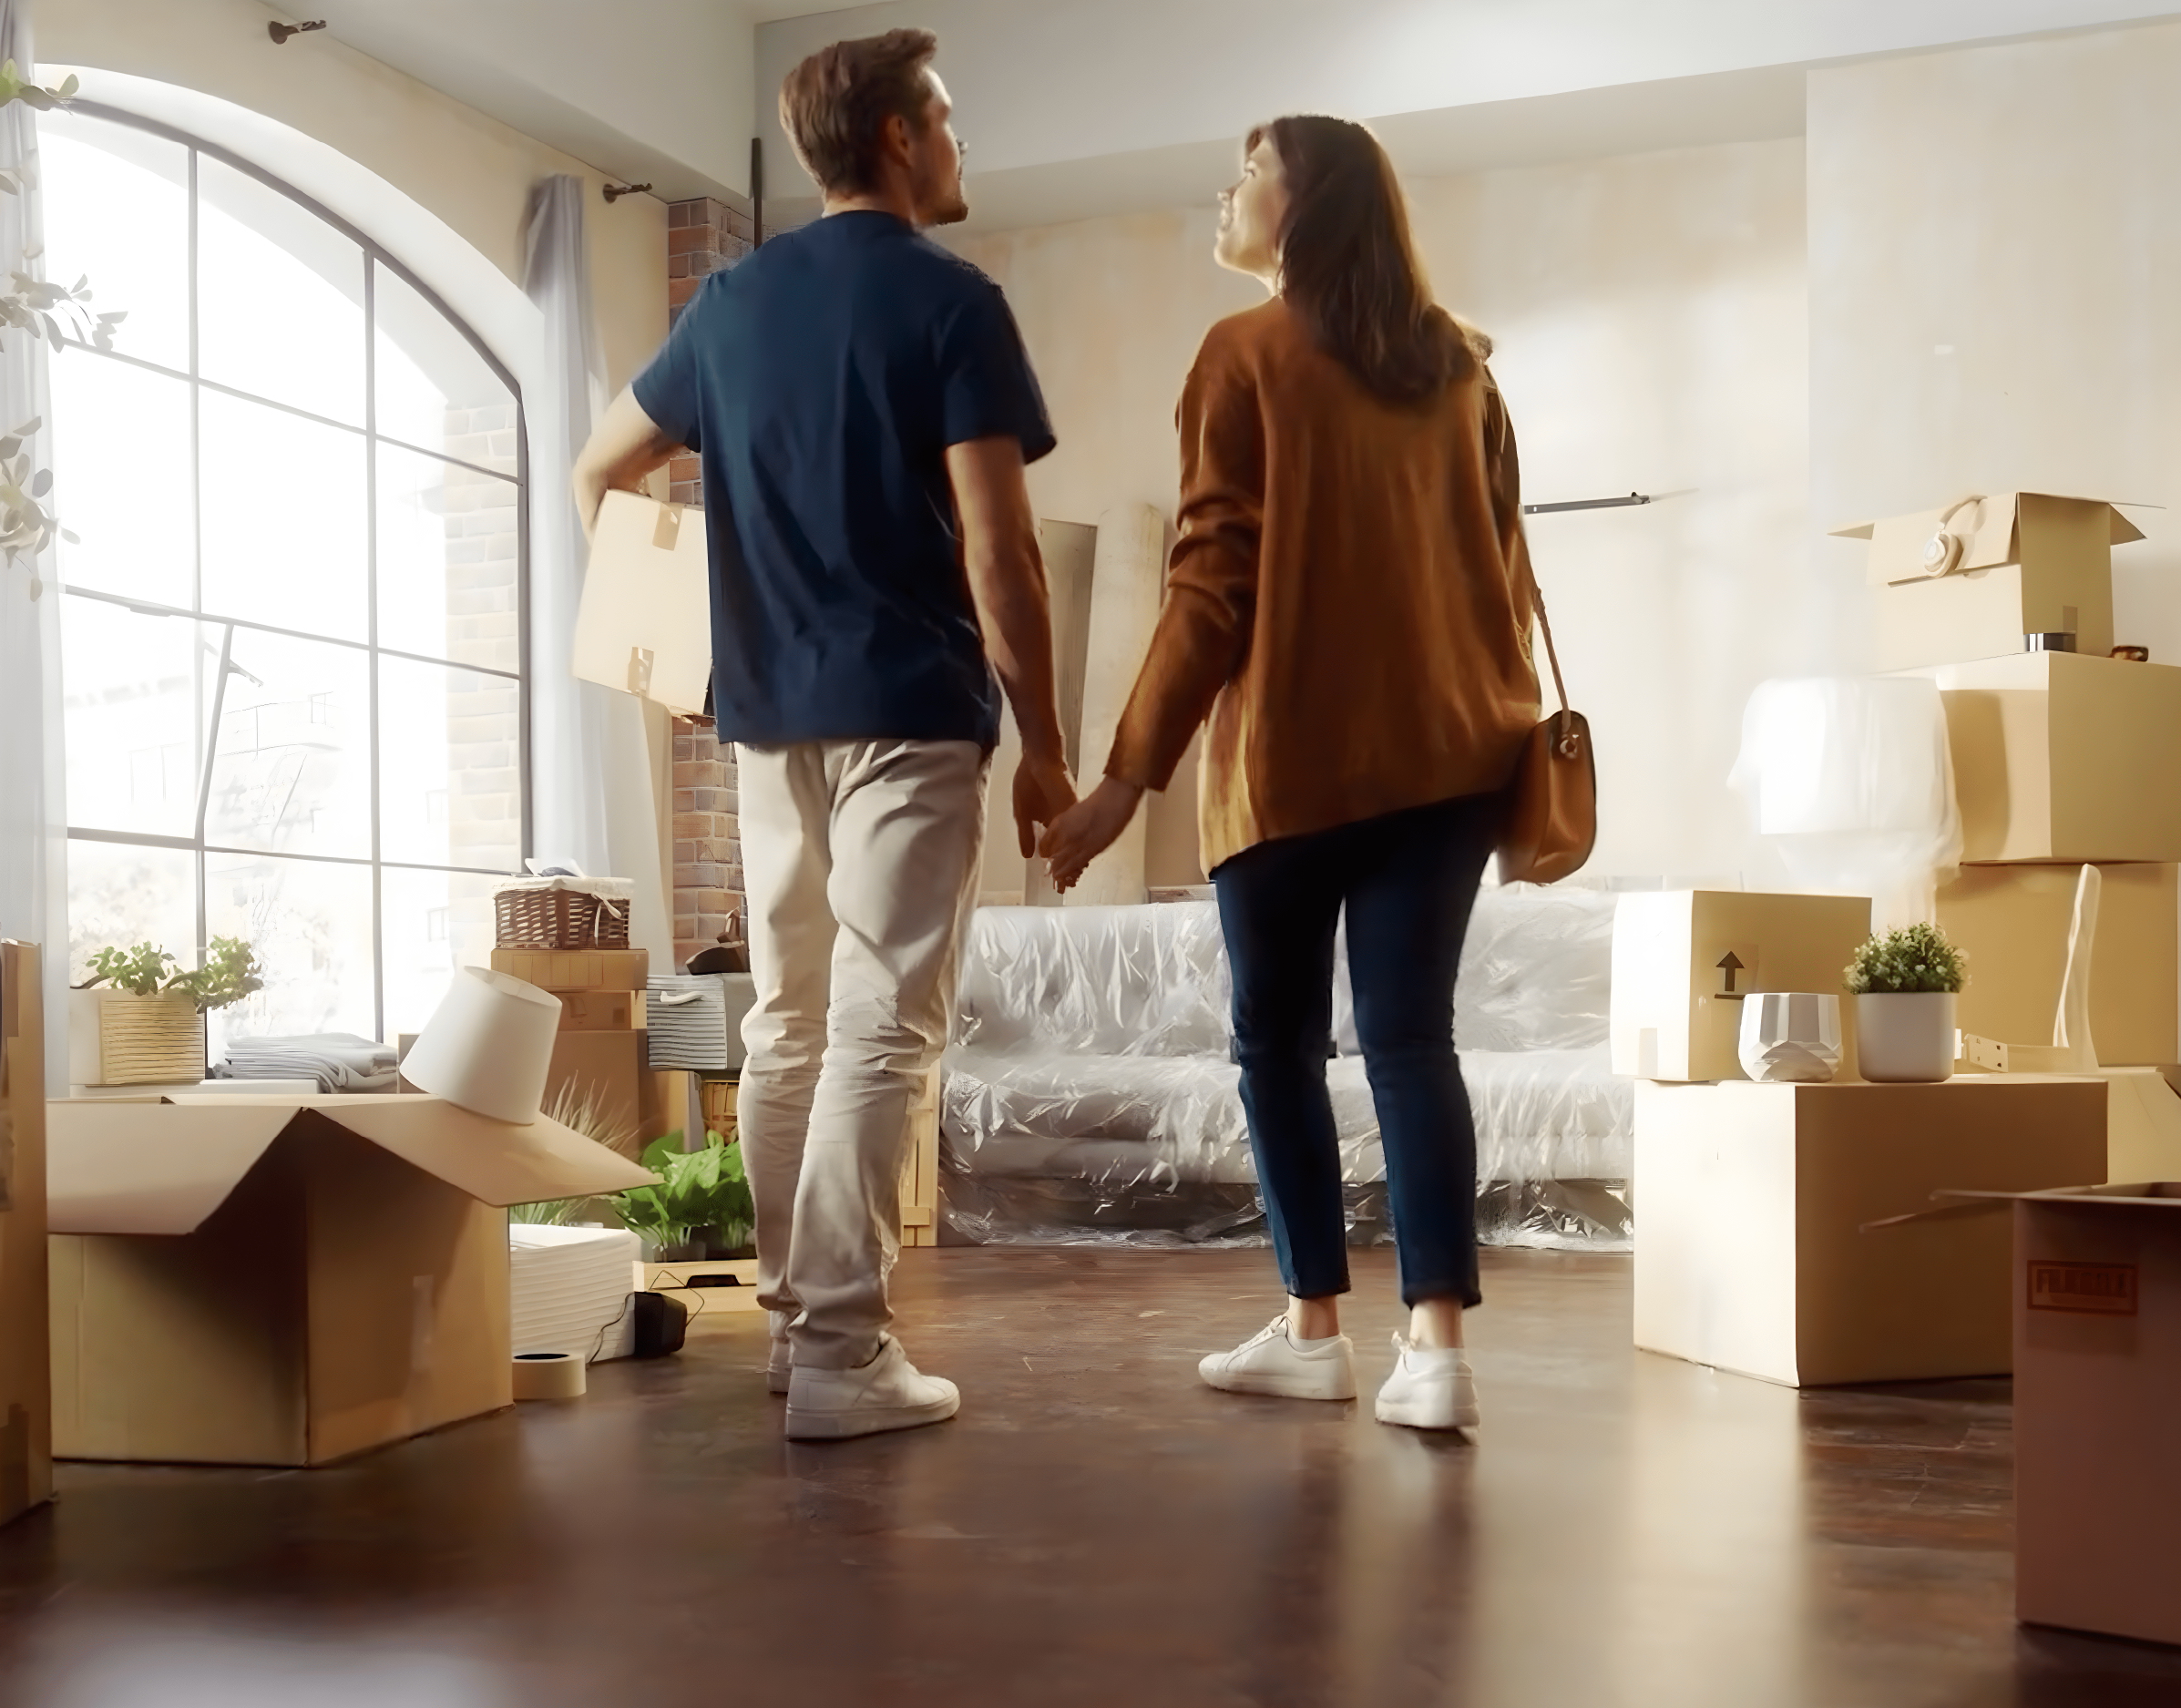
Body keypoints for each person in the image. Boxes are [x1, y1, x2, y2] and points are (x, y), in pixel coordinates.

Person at [573, 28, 1074, 1442]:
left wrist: (660, 648)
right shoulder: (954, 303)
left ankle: (803, 1337)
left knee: (789, 1023)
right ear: (902, 139)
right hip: (908, 711)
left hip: (765, 717)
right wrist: (1046, 743)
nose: (962, 143)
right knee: (879, 1026)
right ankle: (848, 1351)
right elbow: (1000, 550)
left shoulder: (727, 302)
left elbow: (597, 469)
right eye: (950, 119)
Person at [1040, 116, 1543, 1432]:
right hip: (1449, 757)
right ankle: (1433, 1353)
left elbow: (1212, 584)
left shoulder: (1242, 356)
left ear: (1301, 206)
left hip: (1291, 765)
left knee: (1275, 1043)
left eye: (1248, 173)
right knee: (1409, 1041)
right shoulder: (1461, 371)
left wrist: (1122, 777)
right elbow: (1504, 574)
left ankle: (1314, 1326)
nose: (1227, 189)